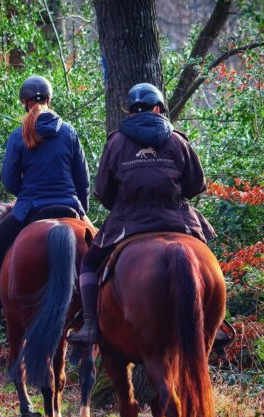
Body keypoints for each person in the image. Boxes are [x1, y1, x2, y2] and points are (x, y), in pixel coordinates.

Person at [67, 83, 215, 345]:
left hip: (129, 220)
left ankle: (90, 323)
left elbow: (103, 192)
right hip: (175, 218)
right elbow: (194, 187)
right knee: (207, 258)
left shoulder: (116, 141)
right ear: (158, 108)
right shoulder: (178, 140)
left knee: (89, 263)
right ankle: (218, 320)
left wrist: (125, 202)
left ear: (131, 111)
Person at [0, 75, 90, 335]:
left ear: (24, 103)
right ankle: (95, 317)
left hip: (30, 209)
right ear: (49, 99)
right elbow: (83, 179)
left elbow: (9, 180)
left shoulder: (19, 135)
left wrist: (26, 195)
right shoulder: (69, 132)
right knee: (105, 252)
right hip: (70, 207)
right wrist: (82, 209)